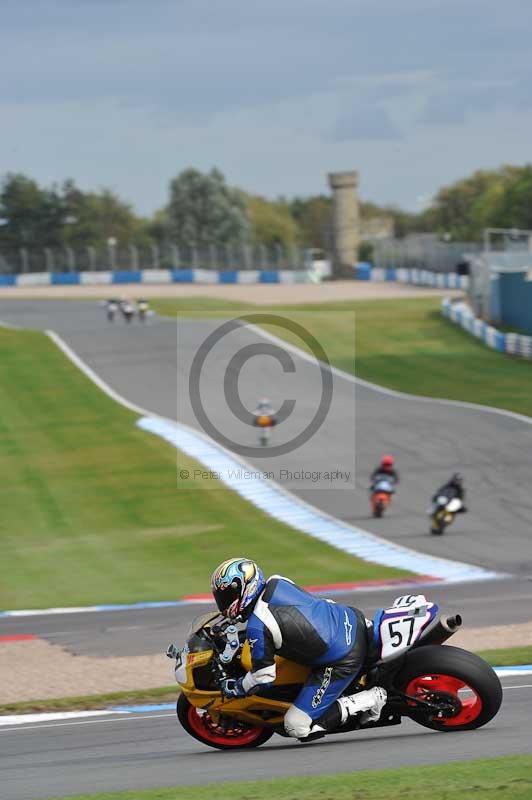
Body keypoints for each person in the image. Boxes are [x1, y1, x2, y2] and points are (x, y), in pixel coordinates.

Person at [210, 558, 387, 741]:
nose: (224, 603)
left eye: (227, 596)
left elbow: (263, 678)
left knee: (296, 726)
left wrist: (237, 687)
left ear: (246, 588)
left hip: (343, 657)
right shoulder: (277, 581)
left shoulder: (258, 626)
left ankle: (372, 698)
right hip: (349, 619)